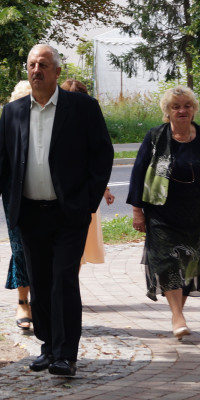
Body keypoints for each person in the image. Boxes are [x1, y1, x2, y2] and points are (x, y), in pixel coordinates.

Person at [0, 44, 114, 377]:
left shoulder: (82, 108)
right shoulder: (13, 112)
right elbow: (0, 160)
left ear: (56, 72)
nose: (36, 70)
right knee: (39, 282)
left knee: (63, 280)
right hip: (29, 213)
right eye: (31, 64)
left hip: (68, 213)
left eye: (43, 64)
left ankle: (66, 354)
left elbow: (102, 156)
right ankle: (48, 347)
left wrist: (86, 201)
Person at [127, 86, 200, 339]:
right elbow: (138, 173)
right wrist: (138, 211)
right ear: (167, 112)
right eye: (176, 106)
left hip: (193, 211)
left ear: (194, 109)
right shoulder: (156, 136)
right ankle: (178, 316)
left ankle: (177, 311)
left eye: (187, 106)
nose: (182, 110)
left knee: (188, 262)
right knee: (167, 262)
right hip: (160, 211)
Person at [60, 78, 114, 266]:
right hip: (62, 195)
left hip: (85, 195)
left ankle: (70, 287)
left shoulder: (90, 119)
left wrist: (103, 189)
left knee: (80, 248)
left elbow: (98, 158)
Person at [7, 80, 34, 330]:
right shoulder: (10, 123)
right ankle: (23, 302)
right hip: (15, 200)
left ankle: (41, 303)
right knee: (20, 251)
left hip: (47, 201)